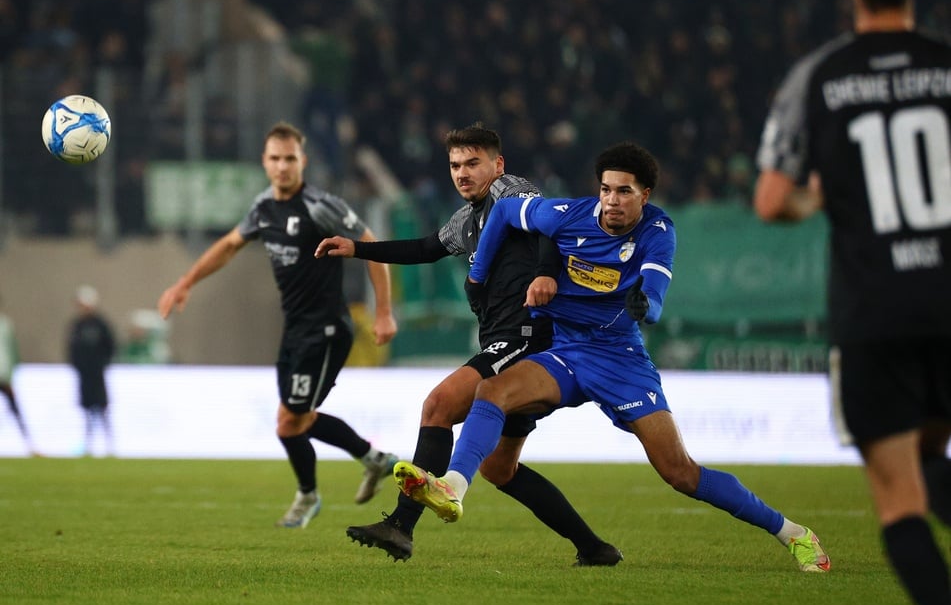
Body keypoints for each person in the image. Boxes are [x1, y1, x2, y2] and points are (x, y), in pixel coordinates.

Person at [395, 141, 831, 573]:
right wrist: (477, 274)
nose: (612, 201)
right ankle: (453, 487)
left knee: (680, 473)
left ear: (645, 195)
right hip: (565, 352)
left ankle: (792, 533)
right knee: (492, 390)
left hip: (620, 361)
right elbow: (507, 213)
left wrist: (647, 305)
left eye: (624, 192)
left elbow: (656, 285)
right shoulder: (570, 215)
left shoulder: (658, 231)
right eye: (606, 189)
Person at [317, 123, 621, 565]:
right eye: (455, 165)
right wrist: (358, 250)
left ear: (497, 165)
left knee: (439, 405)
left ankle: (401, 526)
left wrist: (544, 273)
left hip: (526, 337)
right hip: (506, 338)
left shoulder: (511, 192)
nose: (462, 173)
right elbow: (425, 248)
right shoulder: (468, 218)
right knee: (500, 469)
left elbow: (551, 229)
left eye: (472, 163)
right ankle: (594, 548)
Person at [753, 0, 951, 605]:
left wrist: (825, 198)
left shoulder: (817, 76)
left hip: (873, 310)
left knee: (900, 498)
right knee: (930, 453)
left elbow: (772, 200)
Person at [158, 121, 400, 528]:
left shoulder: (323, 206)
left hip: (326, 330)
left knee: (290, 422)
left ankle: (309, 496)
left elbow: (373, 248)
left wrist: (383, 312)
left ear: (302, 161)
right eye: (275, 158)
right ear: (265, 162)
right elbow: (230, 245)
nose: (283, 166)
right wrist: (186, 282)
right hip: (294, 330)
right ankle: (373, 459)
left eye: (290, 158)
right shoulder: (263, 208)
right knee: (294, 421)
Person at [67, 285, 116, 457]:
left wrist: (102, 364)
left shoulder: (100, 324)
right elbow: (71, 349)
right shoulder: (77, 325)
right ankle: (88, 444)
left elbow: (110, 346)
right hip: (84, 375)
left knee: (102, 408)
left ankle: (110, 444)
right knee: (87, 410)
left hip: (97, 373)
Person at [0, 293, 38, 456]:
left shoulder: (5, 324)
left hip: (4, 374)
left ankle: (29, 445)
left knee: (15, 409)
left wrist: (13, 370)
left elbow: (12, 351)